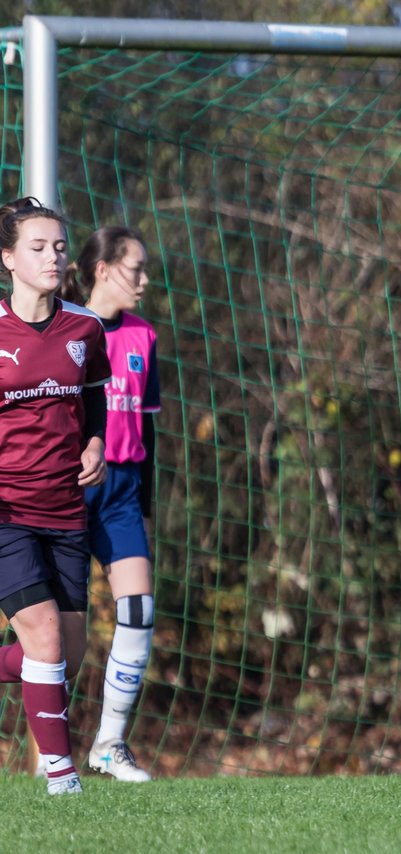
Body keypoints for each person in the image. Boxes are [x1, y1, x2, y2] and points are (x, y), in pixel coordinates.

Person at [0, 196, 111, 795]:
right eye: (38, 247)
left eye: (59, 246)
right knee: (42, 636)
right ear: (8, 258)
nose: (53, 257)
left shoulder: (85, 327)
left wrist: (95, 444)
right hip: (5, 512)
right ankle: (64, 780)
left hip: (65, 510)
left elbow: (93, 398)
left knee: (62, 654)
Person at [58, 226, 160, 783]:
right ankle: (56, 745)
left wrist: (145, 504)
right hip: (69, 489)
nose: (144, 280)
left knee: (139, 611)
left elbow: (150, 431)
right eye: (135, 268)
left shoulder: (145, 335)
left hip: (121, 493)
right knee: (59, 634)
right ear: (102, 270)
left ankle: (109, 744)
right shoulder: (68, 328)